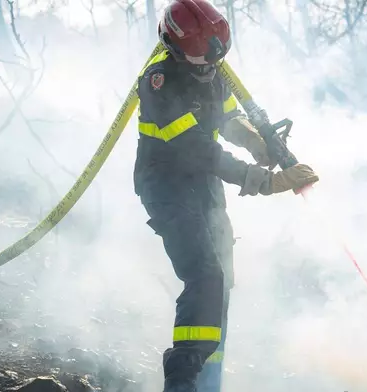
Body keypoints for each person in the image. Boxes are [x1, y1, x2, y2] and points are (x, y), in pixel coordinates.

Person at [133, 1, 319, 391]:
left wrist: (255, 141)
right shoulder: (159, 82)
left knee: (223, 280)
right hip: (167, 185)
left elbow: (228, 116)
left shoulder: (213, 71)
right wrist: (263, 180)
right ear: (174, 45)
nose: (209, 64)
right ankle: (183, 380)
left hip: (205, 184)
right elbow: (195, 147)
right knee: (204, 274)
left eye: (214, 56)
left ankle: (209, 380)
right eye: (201, 56)